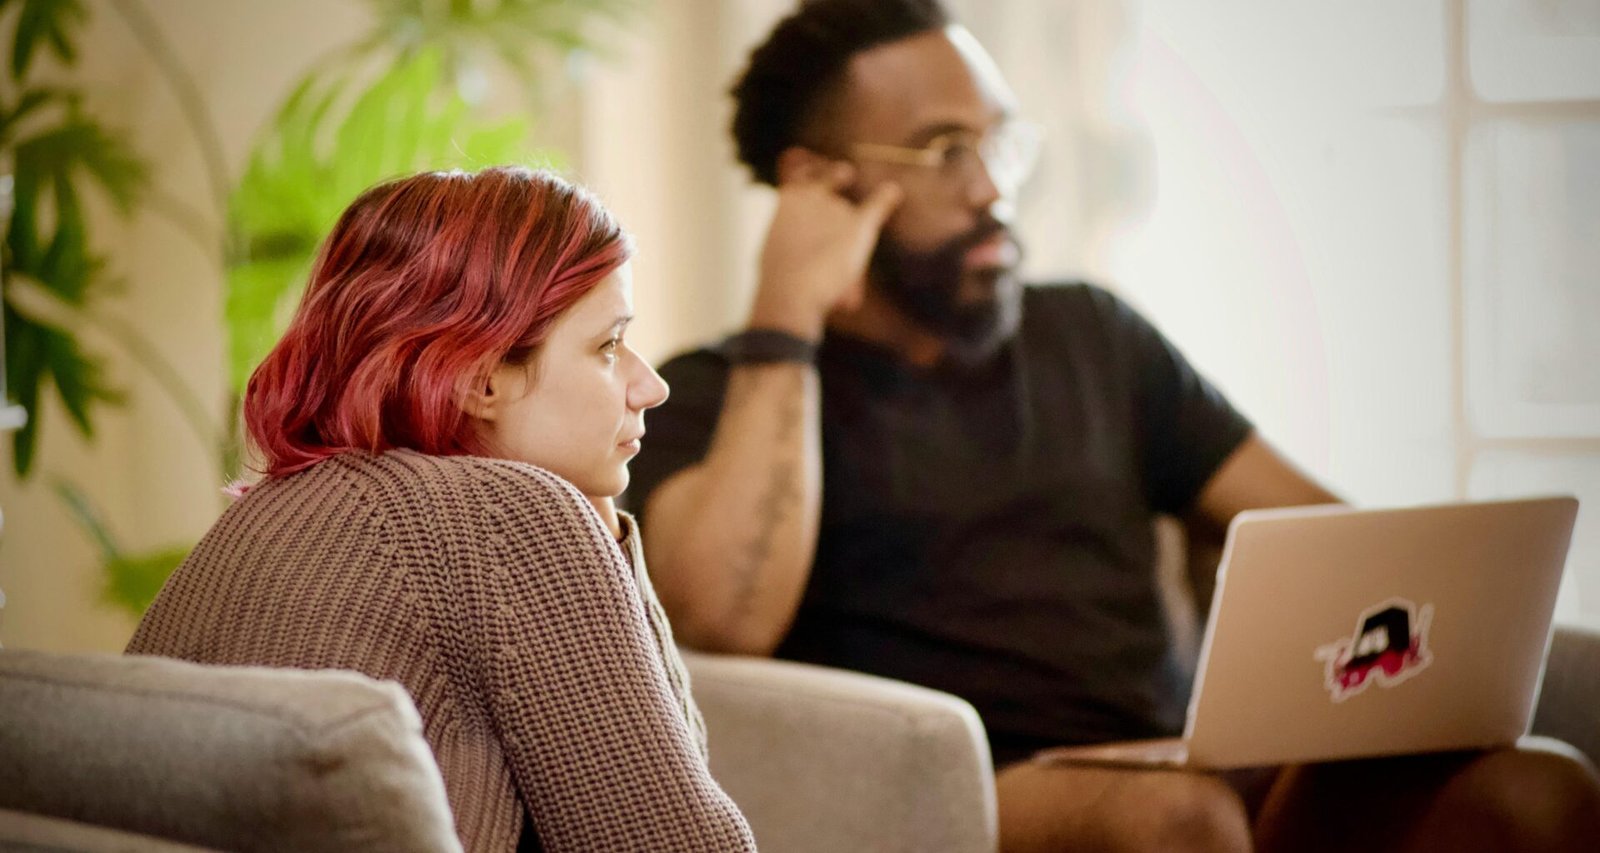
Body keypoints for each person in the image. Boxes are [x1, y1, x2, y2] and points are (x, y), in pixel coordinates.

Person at [622, 2, 1600, 851]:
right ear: (818, 184)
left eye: (1001, 142)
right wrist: (784, 317)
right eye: (944, 152)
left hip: (1186, 769)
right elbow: (721, 620)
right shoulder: (713, 391)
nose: (992, 188)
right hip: (970, 789)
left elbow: (1334, 546)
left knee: (1534, 787)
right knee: (1173, 824)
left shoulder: (1090, 332)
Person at [128, 167, 757, 852]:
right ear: (479, 378)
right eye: (608, 346)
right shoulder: (510, 519)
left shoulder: (268, 512)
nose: (651, 385)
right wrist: (593, 524)